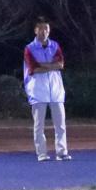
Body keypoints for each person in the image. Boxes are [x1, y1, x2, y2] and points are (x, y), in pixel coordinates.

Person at [23, 17, 69, 161]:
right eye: (41, 29)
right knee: (39, 126)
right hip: (37, 91)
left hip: (56, 90)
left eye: (46, 29)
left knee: (60, 124)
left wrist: (43, 65)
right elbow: (33, 68)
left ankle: (62, 152)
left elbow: (60, 64)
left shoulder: (55, 45)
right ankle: (41, 153)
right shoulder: (29, 48)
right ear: (35, 30)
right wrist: (51, 66)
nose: (44, 32)